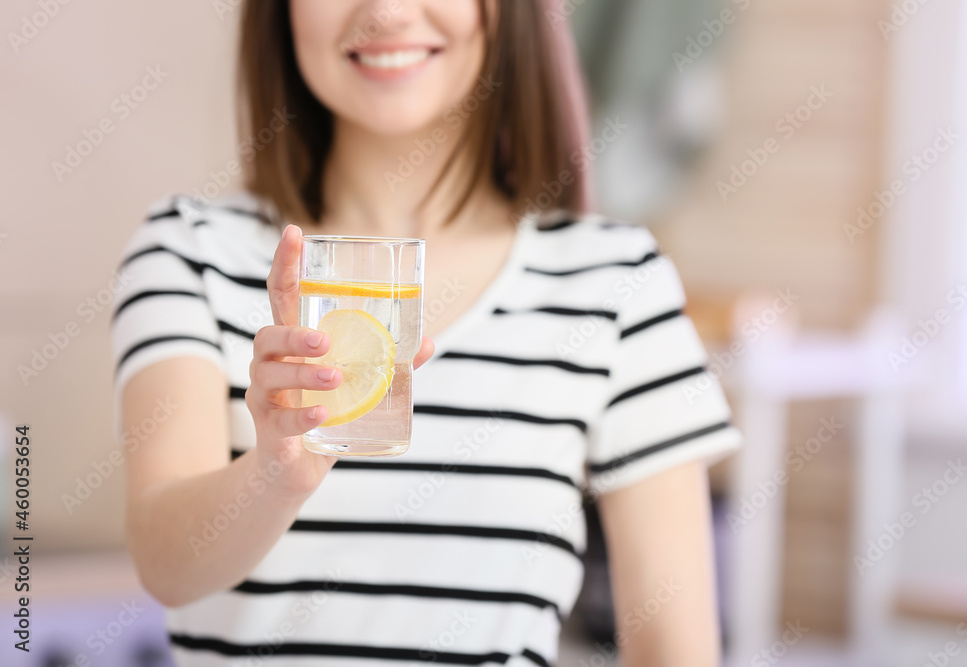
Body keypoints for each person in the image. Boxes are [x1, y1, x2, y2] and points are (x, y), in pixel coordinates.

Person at [110, 1, 741, 665]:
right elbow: (164, 563)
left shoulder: (616, 280)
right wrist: (274, 475)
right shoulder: (189, 250)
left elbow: (676, 649)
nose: (385, 11)